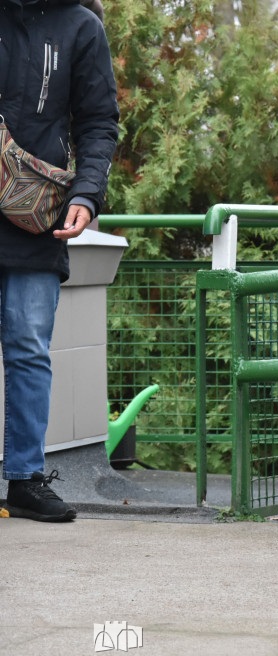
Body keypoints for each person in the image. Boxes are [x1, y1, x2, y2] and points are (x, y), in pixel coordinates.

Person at [0, 0, 119, 522]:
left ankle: (25, 479)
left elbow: (99, 122)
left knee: (28, 347)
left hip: (36, 219)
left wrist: (87, 194)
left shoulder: (81, 26)